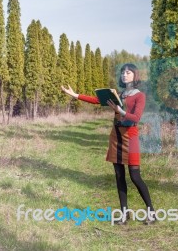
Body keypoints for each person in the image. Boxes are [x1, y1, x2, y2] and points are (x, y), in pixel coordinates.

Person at [61, 63, 155, 225]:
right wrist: (75, 95)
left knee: (135, 177)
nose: (124, 75)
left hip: (131, 137)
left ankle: (151, 212)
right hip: (116, 137)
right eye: (123, 72)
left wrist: (120, 110)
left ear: (135, 75)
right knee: (119, 177)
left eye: (128, 72)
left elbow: (136, 118)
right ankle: (124, 214)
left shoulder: (140, 96)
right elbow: (97, 100)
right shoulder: (118, 94)